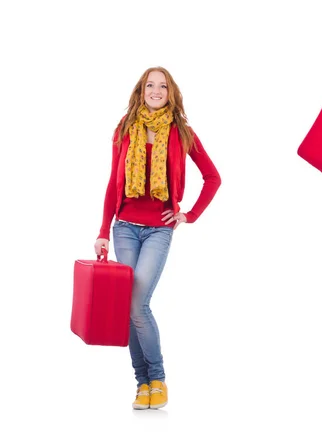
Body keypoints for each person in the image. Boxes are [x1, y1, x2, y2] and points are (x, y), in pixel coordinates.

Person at [94, 67, 221, 410]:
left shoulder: (182, 133)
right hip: (124, 228)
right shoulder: (125, 130)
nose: (155, 90)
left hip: (159, 230)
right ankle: (142, 384)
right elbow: (111, 183)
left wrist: (188, 214)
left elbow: (213, 177)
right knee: (128, 307)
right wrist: (103, 231)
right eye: (149, 84)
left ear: (171, 93)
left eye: (162, 86)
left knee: (137, 304)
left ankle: (158, 379)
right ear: (141, 90)